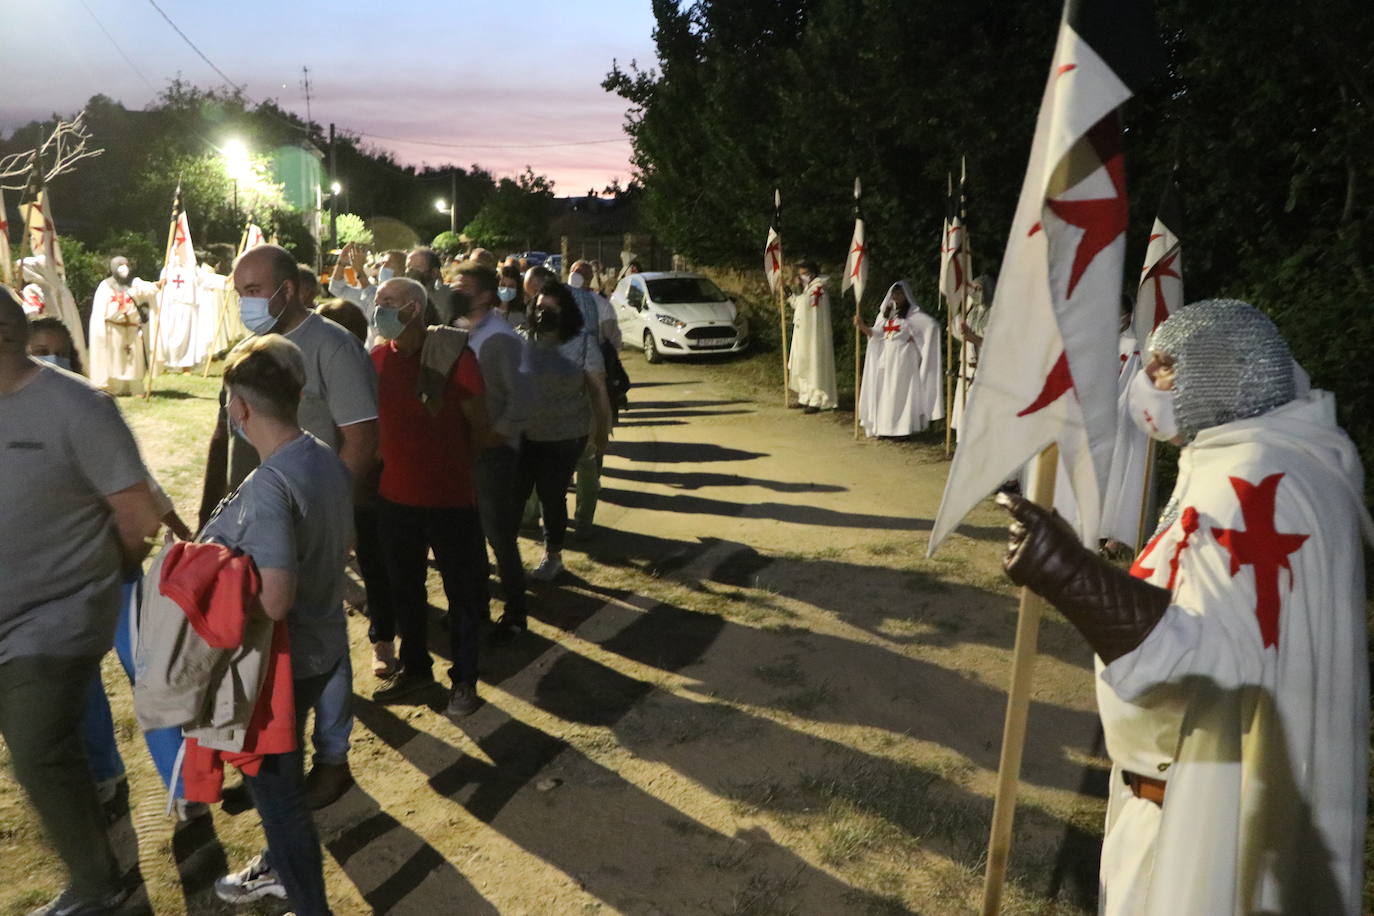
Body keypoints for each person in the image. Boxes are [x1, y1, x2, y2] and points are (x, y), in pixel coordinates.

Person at [999, 299, 1369, 915]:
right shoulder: (1267, 457)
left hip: (1205, 803)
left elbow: (1208, 664)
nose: (1150, 383)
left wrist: (1069, 574)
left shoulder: (1257, 483)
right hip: (1175, 781)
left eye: (1167, 367)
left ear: (1226, 369)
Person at [0, 284, 162, 916]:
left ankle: (100, 887)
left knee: (37, 747)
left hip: (57, 615)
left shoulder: (77, 408)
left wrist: (106, 572)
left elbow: (137, 514)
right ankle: (97, 790)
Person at [200, 244, 379, 809]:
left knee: (318, 640)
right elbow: (228, 435)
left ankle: (330, 759)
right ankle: (267, 760)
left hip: (308, 520)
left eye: (254, 290)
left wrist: (336, 517)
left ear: (290, 289)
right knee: (261, 643)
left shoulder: (333, 347)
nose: (246, 302)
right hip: (257, 520)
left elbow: (362, 438)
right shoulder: (251, 350)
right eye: (240, 292)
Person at [207, 335, 352, 916]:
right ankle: (276, 867)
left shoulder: (268, 487)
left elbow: (274, 600)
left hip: (280, 667)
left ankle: (307, 902)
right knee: (282, 786)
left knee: (280, 796)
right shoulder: (323, 455)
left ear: (238, 407)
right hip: (326, 647)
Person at [369, 277, 491, 716]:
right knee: (405, 592)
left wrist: (452, 468)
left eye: (390, 301)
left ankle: (465, 683)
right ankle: (416, 671)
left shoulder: (456, 358)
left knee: (461, 596)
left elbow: (481, 426)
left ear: (415, 309)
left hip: (450, 500)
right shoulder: (377, 361)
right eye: (378, 300)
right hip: (395, 500)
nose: (379, 307)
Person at [454, 262, 531, 645]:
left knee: (499, 536)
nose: (455, 291)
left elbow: (520, 396)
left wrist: (496, 437)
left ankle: (516, 613)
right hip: (466, 451)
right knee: (469, 536)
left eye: (463, 286)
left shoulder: (499, 338)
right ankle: (478, 607)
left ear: (485, 294)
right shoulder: (460, 332)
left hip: (492, 453)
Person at [517, 282, 612, 581]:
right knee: (515, 494)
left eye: (552, 309)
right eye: (540, 307)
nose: (545, 313)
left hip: (566, 435)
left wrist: (602, 432)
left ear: (565, 312)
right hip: (524, 433)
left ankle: (553, 555)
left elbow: (598, 392)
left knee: (552, 494)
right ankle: (510, 555)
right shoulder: (521, 340)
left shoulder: (582, 344)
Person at [566, 260, 624, 534]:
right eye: (577, 271)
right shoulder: (596, 304)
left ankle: (584, 508)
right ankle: (584, 512)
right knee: (588, 450)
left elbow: (613, 340)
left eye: (582, 272)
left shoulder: (599, 305)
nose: (578, 276)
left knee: (589, 447)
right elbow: (614, 341)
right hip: (587, 379)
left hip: (592, 380)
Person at [854, 281, 944, 438]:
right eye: (895, 294)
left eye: (900, 294)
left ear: (906, 295)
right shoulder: (885, 315)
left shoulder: (913, 316)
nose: (897, 297)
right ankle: (884, 428)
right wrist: (862, 326)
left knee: (901, 393)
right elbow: (876, 334)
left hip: (904, 359)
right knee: (885, 392)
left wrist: (916, 339)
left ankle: (902, 429)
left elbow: (932, 327)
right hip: (887, 358)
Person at [88, 256, 158, 394]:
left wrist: (159, 284)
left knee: (134, 362)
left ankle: (135, 388)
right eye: (120, 264)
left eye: (126, 264)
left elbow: (150, 290)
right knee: (115, 361)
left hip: (132, 329)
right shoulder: (105, 286)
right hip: (113, 329)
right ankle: (117, 388)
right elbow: (99, 312)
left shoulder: (136, 284)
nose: (124, 267)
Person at [788, 260, 837, 413]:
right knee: (802, 362)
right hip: (803, 333)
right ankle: (805, 396)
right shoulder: (808, 289)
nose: (802, 277)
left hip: (814, 335)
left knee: (814, 364)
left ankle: (817, 399)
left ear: (813, 273)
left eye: (805, 274)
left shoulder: (818, 289)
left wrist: (796, 292)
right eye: (800, 274)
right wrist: (790, 295)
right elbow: (800, 305)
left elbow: (805, 305)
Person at [950, 273, 995, 435]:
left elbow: (995, 344)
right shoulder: (970, 312)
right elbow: (958, 333)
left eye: (978, 289)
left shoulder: (996, 314)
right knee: (965, 410)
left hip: (984, 368)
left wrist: (973, 338)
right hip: (967, 367)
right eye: (973, 288)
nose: (974, 292)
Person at [405, 246, 459, 325]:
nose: (410, 271)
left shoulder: (450, 296)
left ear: (434, 272)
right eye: (408, 266)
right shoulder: (400, 297)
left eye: (417, 267)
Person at [497, 264, 528, 330]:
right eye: (502, 285)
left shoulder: (522, 315)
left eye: (511, 286)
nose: (506, 289)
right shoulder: (485, 311)